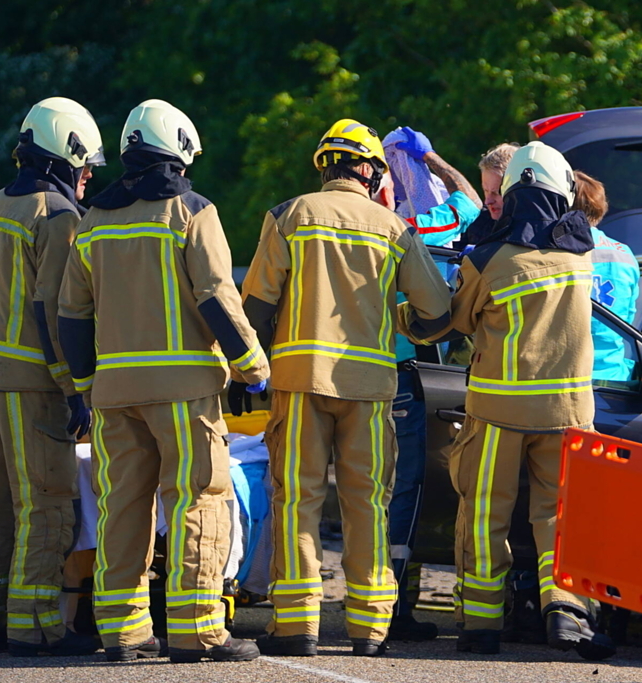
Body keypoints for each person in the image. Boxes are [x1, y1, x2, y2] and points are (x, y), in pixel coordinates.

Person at [58, 99, 269, 663]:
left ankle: (123, 635)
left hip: (112, 396)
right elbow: (218, 299)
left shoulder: (93, 222)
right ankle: (197, 631)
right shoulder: (192, 212)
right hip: (184, 392)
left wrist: (85, 385)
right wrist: (253, 366)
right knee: (199, 500)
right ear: (179, 150)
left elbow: (71, 317)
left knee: (123, 507)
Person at [239, 119, 451, 658]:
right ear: (367, 168)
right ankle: (369, 630)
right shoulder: (392, 227)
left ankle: (297, 627)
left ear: (325, 165)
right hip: (371, 390)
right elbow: (437, 311)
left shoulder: (288, 217)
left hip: (298, 383)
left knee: (297, 502)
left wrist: (247, 375)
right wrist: (398, 320)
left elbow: (256, 310)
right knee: (366, 505)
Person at [397, 141, 616, 661]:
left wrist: (399, 315)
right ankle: (565, 612)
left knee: (483, 515)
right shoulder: (580, 260)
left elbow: (450, 320)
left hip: (499, 412)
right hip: (569, 414)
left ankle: (481, 624)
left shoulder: (492, 261)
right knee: (557, 517)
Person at [0, 97, 104, 657]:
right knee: (46, 499)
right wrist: (75, 389)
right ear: (65, 156)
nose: (88, 176)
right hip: (28, 382)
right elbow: (55, 312)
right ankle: (38, 624)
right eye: (86, 165)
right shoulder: (59, 216)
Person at [375, 127, 482, 641]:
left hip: (353, 374)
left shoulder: (356, 226)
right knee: (406, 492)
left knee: (370, 491)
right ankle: (392, 606)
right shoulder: (419, 225)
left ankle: (379, 600)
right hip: (406, 377)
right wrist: (433, 157)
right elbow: (472, 202)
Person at [573, 171, 640, 381]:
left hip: (567, 380)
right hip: (615, 380)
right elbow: (628, 318)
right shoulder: (625, 255)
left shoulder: (556, 252)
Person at [455, 142, 520, 248]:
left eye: (496, 192)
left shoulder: (541, 229)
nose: (488, 201)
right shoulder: (476, 223)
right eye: (485, 190)